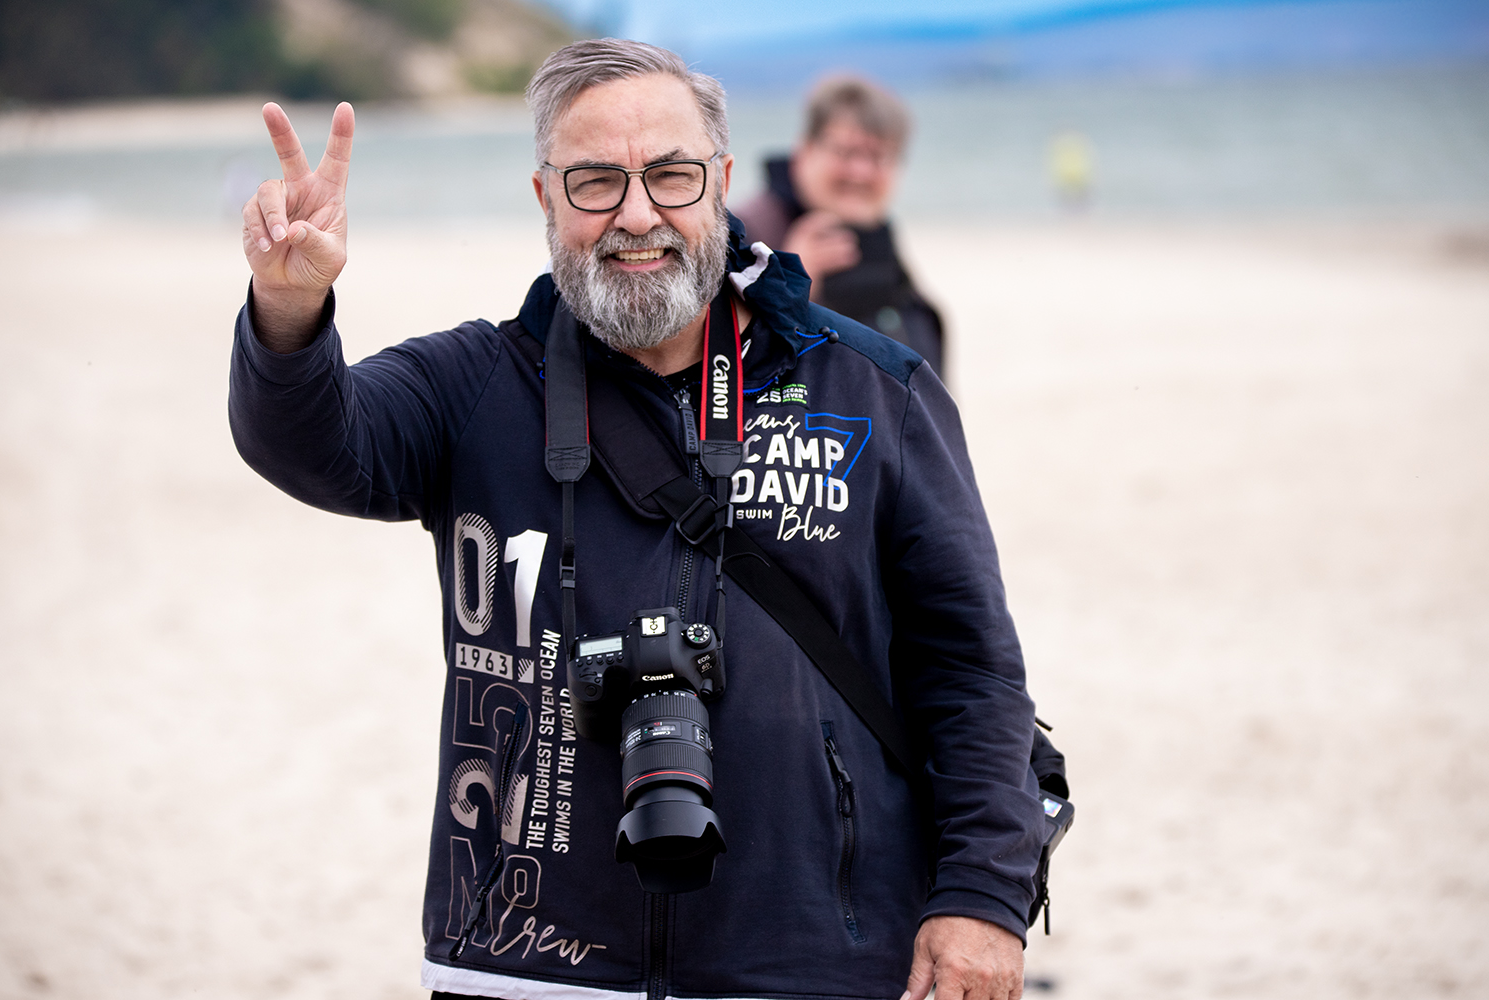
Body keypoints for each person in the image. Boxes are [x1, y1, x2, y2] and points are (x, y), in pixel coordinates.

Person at [229, 38, 1043, 1000]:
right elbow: (312, 444)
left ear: (724, 183)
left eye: (671, 175)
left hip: (819, 958)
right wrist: (288, 308)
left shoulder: (873, 388)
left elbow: (971, 667)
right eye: (594, 183)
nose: (638, 214)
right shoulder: (475, 387)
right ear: (544, 198)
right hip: (527, 958)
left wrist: (984, 898)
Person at [733, 75, 945, 376]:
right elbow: (715, 374)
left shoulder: (878, 239)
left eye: (878, 156)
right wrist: (787, 290)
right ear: (804, 151)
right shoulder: (745, 233)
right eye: (846, 152)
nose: (860, 172)